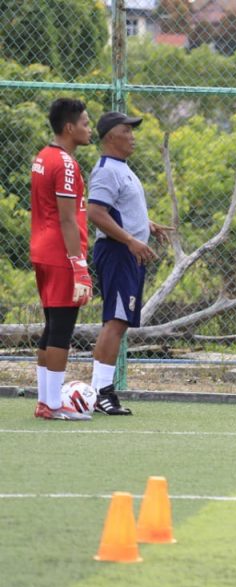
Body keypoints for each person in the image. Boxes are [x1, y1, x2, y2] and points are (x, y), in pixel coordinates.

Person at [86, 112, 173, 415]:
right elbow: (96, 212)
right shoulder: (107, 170)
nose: (133, 135)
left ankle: (100, 390)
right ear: (111, 136)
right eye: (127, 130)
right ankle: (100, 392)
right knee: (116, 320)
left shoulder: (122, 169)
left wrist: (145, 225)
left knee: (119, 322)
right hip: (118, 253)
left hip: (128, 252)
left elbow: (118, 209)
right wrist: (130, 240)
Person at [30, 98, 93, 420]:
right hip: (60, 254)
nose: (89, 129)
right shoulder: (65, 163)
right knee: (62, 329)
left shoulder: (43, 156)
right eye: (85, 123)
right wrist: (79, 265)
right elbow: (68, 219)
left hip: (43, 250)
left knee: (52, 325)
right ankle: (53, 405)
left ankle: (45, 401)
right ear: (69, 128)